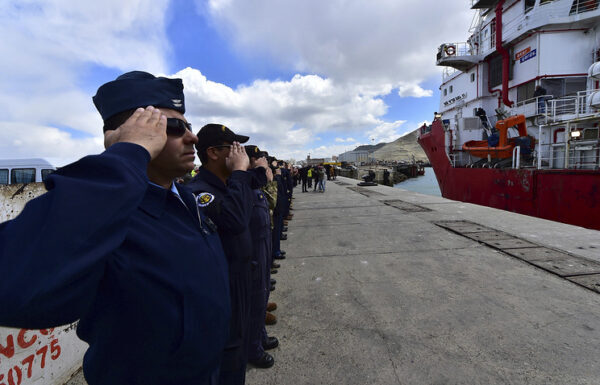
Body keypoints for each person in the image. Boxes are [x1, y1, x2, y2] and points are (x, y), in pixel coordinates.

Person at [0, 71, 231, 385]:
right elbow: (15, 286)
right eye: (172, 127)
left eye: (188, 125)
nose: (193, 137)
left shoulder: (188, 200)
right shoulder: (107, 214)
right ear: (133, 134)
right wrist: (128, 154)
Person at [187, 124, 266, 385]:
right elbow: (234, 220)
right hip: (224, 288)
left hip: (244, 277)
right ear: (213, 152)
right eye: (233, 147)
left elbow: (260, 181)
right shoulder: (200, 190)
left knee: (240, 351)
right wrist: (240, 172)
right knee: (228, 359)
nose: (240, 153)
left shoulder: (229, 184)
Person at [243, 145, 279, 369]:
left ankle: (260, 336)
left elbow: (270, 206)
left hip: (263, 244)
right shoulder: (241, 184)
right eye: (256, 158)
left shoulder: (251, 184)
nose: (260, 161)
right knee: (254, 299)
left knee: (262, 293)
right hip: (252, 250)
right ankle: (253, 346)